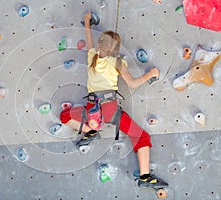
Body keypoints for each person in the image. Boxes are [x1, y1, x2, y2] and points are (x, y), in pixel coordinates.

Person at [60, 12, 168, 188]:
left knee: (65, 116)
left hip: (92, 112)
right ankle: (145, 176)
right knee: (141, 137)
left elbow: (88, 38)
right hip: (111, 111)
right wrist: (150, 74)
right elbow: (132, 84)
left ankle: (91, 130)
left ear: (100, 45)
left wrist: (87, 22)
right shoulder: (118, 63)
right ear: (116, 49)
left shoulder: (92, 57)